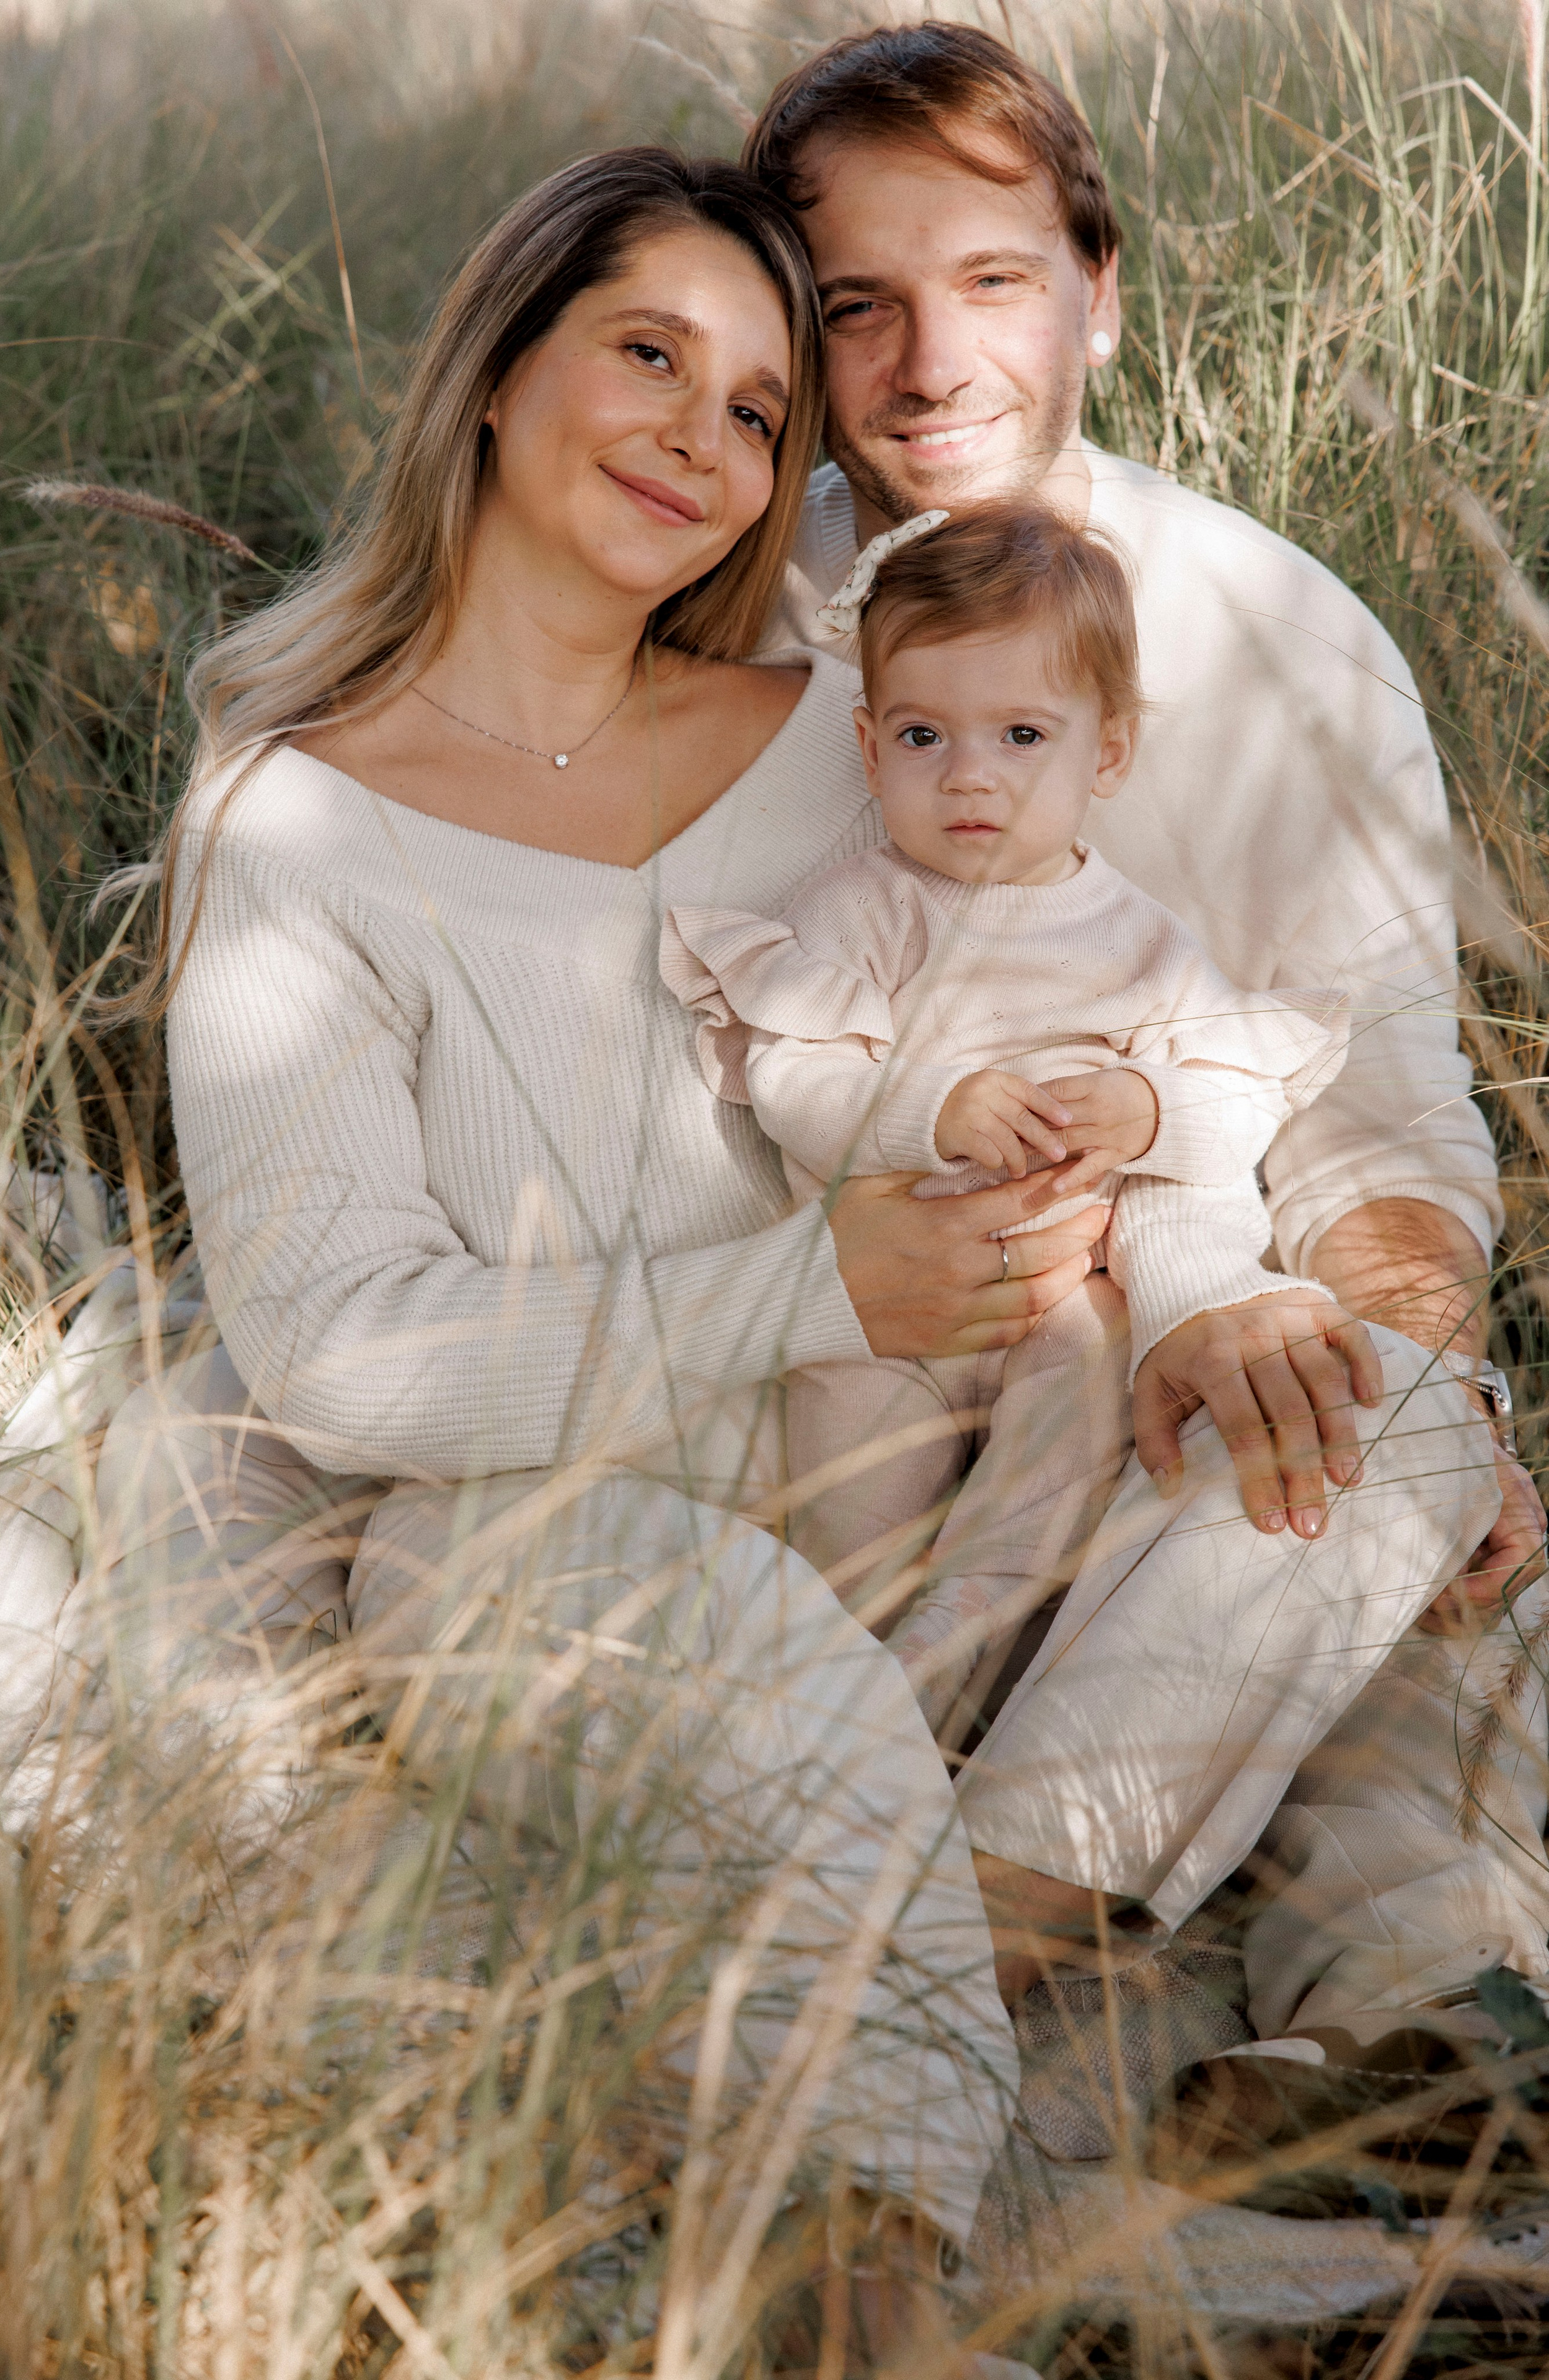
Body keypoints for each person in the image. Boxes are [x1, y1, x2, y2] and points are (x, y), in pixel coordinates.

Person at [741, 21, 1549, 2061]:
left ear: (1098, 289)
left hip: (1159, 1372)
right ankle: (916, 2002)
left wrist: (1365, 1358)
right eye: (859, 306)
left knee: (1397, 1450)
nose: (932, 366)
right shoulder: (713, 606)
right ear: (795, 337)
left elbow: (1381, 1110)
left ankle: (1393, 2038)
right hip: (817, 1374)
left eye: (994, 282)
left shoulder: (1280, 639)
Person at [663, 501, 1351, 1749]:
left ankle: (957, 1650)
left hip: (1057, 1307)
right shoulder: (863, 911)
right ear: (869, 747)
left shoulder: (1144, 944)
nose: (967, 774)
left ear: (1108, 753)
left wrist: (1146, 1110)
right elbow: (796, 1079)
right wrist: (932, 1109)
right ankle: (837, 1699)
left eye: (1022, 735)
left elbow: (1234, 1102)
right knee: (847, 1526)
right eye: (922, 735)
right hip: (879, 1316)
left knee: (1071, 1423)